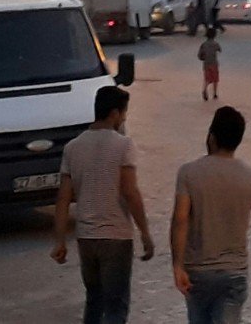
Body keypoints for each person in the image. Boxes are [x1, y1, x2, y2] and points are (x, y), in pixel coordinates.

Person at [52, 86, 155, 324]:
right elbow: (130, 193)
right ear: (114, 113)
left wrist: (59, 241)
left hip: (86, 238)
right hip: (116, 237)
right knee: (116, 307)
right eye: (124, 113)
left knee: (94, 300)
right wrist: (145, 233)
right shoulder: (123, 145)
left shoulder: (72, 147)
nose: (125, 118)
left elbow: (63, 199)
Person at [171, 107, 251, 324]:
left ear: (212, 136)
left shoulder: (189, 173)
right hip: (233, 273)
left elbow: (180, 220)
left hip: (198, 273)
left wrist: (178, 265)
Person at [198, 28, 222, 101]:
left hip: (206, 64)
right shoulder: (216, 44)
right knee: (215, 79)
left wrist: (203, 57)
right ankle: (214, 94)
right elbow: (220, 50)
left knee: (207, 79)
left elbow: (199, 55)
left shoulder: (203, 44)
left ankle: (205, 89)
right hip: (214, 63)